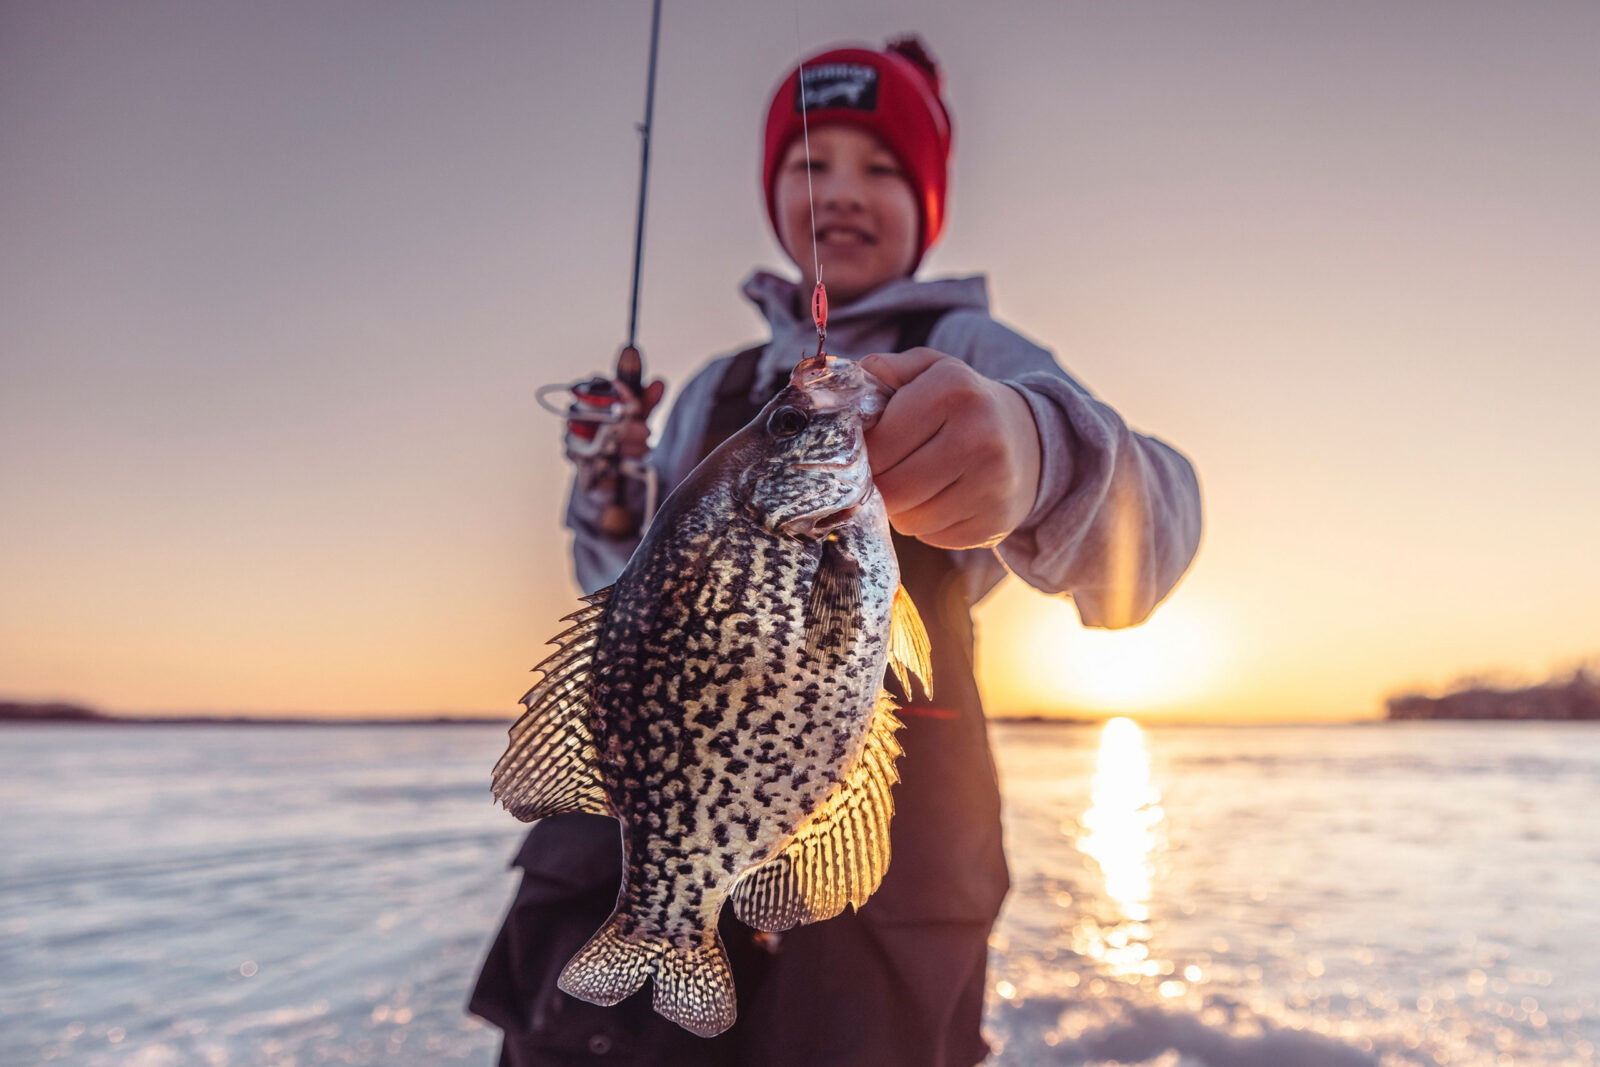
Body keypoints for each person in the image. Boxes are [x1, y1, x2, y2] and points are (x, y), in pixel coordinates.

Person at [471, 36, 1203, 1067]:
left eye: (881, 168)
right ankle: (665, 921)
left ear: (928, 203)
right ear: (775, 193)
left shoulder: (977, 355)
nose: (842, 193)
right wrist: (604, 498)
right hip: (645, 840)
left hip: (881, 888)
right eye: (812, 164)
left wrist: (1037, 452)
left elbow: (1160, 531)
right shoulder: (717, 389)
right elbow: (622, 594)